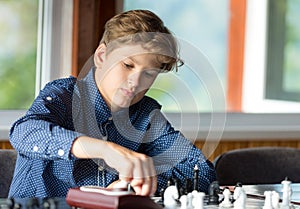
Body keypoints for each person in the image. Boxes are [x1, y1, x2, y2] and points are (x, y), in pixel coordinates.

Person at [9, 9, 216, 198]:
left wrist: (134, 185)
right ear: (101, 56)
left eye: (149, 73)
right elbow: (23, 132)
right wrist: (105, 150)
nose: (135, 82)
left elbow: (201, 169)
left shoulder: (146, 116)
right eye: (127, 65)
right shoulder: (63, 95)